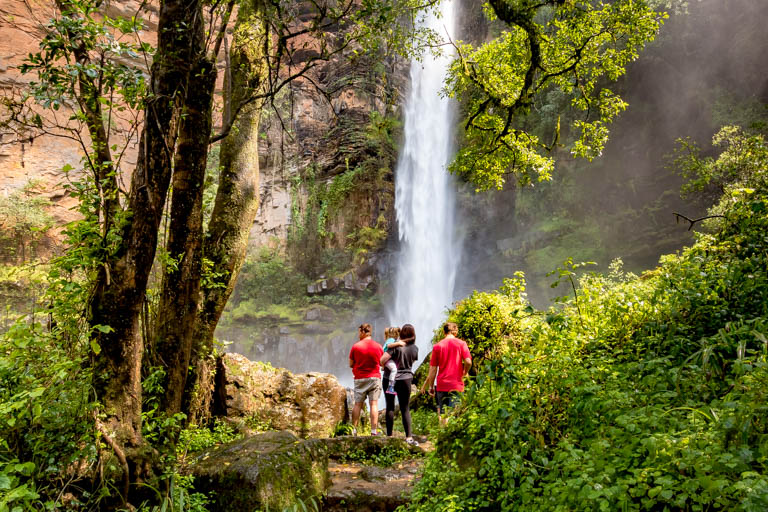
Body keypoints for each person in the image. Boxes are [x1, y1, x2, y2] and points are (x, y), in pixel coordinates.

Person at [420, 322, 471, 425]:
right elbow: (468, 362)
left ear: (444, 332)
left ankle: (442, 432)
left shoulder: (437, 346)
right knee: (455, 414)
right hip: (456, 385)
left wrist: (431, 386)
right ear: (456, 332)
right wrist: (465, 372)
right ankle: (451, 433)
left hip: (442, 385)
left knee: (443, 414)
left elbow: (433, 369)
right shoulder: (462, 344)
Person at [380, 323, 419, 445]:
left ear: (401, 333)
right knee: (405, 408)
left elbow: (382, 360)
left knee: (390, 406)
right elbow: (412, 361)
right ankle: (409, 437)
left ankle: (389, 436)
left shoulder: (395, 346)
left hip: (390, 379)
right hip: (406, 379)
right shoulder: (415, 348)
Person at [349, 323, 384, 436]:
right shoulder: (378, 346)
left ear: (363, 332)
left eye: (359, 332)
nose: (358, 334)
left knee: (357, 404)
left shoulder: (356, 347)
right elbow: (381, 362)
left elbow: (351, 364)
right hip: (374, 378)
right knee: (374, 404)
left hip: (360, 379)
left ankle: (354, 431)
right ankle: (373, 431)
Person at [382, 326, 405, 395]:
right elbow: (389, 346)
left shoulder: (390, 339)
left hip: (386, 359)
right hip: (386, 359)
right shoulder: (391, 339)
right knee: (394, 369)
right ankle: (390, 386)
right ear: (396, 334)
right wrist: (398, 343)